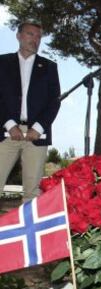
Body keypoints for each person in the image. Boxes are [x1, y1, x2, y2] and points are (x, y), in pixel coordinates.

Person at [0, 21, 61, 202]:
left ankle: (29, 229)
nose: (35, 40)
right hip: (5, 132)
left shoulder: (49, 67)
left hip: (37, 135)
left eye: (38, 37)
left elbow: (54, 101)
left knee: (32, 193)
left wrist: (38, 127)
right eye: (30, 34)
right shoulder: (2, 63)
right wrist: (10, 125)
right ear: (18, 36)